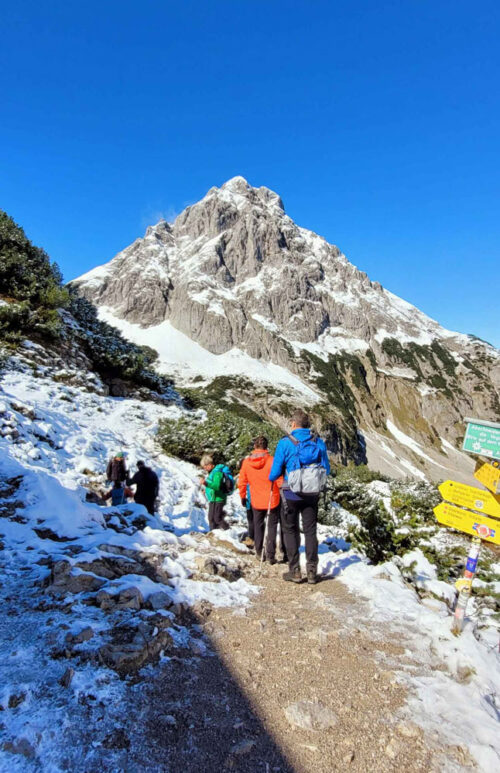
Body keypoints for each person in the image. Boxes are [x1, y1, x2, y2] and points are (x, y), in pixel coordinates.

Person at [269, 409, 330, 584]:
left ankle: (294, 570)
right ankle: (311, 571)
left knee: (290, 529)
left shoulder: (285, 443)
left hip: (291, 493)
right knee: (310, 531)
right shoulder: (318, 442)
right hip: (312, 493)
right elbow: (327, 469)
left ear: (294, 424)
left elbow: (273, 474)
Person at [238, 436, 283, 563]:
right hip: (271, 499)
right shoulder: (272, 461)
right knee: (272, 526)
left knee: (258, 525)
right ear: (266, 447)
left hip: (256, 500)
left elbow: (242, 481)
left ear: (254, 447)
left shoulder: (246, 463)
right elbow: (279, 480)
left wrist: (243, 496)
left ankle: (259, 551)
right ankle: (270, 554)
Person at [199, 454, 232, 531]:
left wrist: (206, 483)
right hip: (213, 498)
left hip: (219, 498)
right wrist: (207, 490)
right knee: (211, 518)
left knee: (217, 518)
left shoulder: (217, 473)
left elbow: (217, 486)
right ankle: (213, 533)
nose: (204, 468)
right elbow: (212, 485)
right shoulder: (212, 472)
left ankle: (228, 531)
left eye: (205, 466)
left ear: (209, 464)